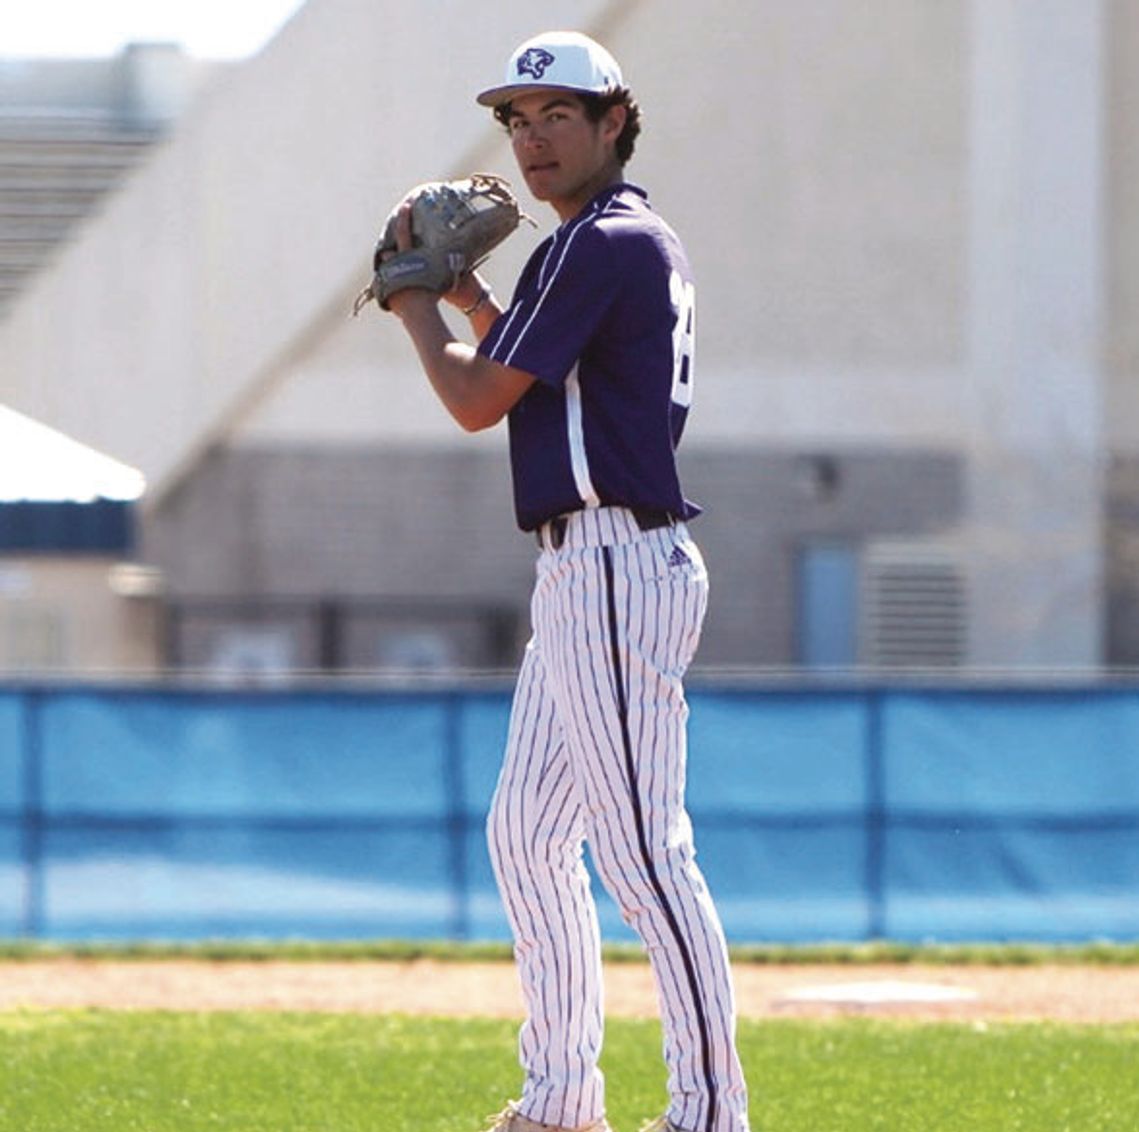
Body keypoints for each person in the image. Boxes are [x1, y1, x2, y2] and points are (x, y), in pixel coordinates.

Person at [379, 29, 750, 1132]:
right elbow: (540, 379)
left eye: (557, 117)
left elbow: (478, 399)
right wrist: (466, 293)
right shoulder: (602, 243)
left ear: (614, 124)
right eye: (518, 120)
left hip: (616, 564)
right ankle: (560, 1101)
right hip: (583, 570)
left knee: (643, 851)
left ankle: (709, 1112)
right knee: (529, 837)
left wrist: (411, 302)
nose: (532, 140)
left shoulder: (601, 242)